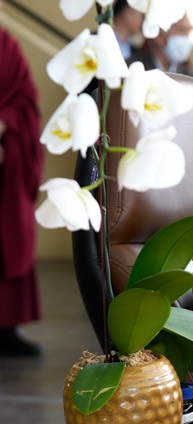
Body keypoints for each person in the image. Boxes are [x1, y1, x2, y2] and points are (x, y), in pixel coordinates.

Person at [0, 5, 44, 357]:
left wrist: (5, 125)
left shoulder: (6, 45)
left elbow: (26, 100)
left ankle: (6, 328)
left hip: (4, 164)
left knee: (8, 236)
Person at [127, 13, 193, 80]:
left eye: (188, 31)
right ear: (159, 34)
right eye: (181, 30)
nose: (185, 38)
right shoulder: (130, 69)